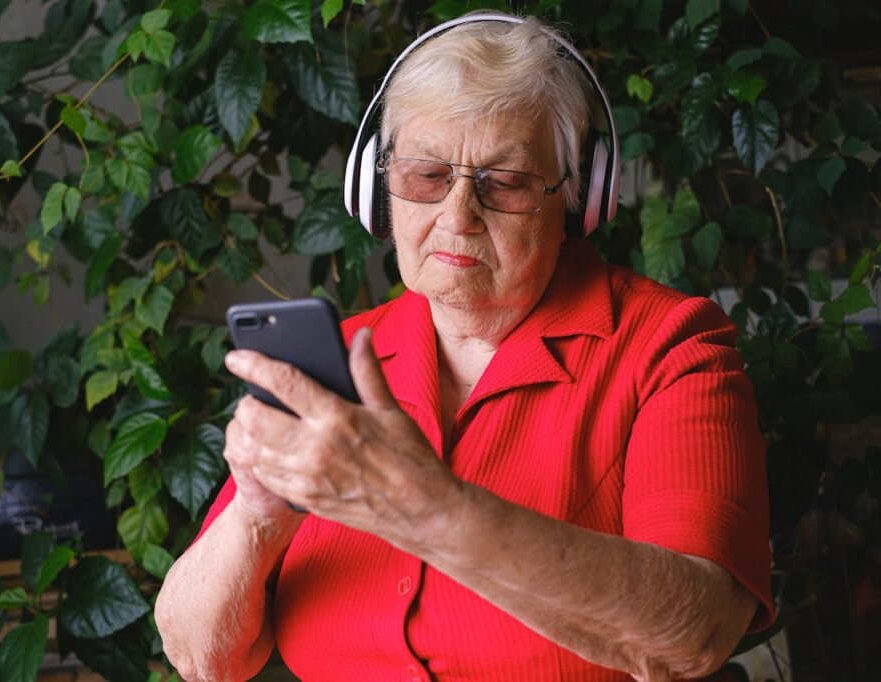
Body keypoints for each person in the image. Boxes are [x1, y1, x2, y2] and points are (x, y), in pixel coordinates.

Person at [155, 12, 774, 682]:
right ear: (375, 186)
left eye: (503, 183)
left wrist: (430, 509)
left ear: (576, 198)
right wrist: (258, 505)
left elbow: (696, 632)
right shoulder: (335, 361)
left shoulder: (669, 349)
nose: (456, 216)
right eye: (424, 176)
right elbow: (201, 659)